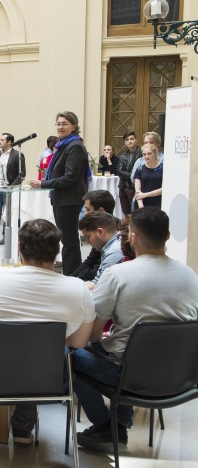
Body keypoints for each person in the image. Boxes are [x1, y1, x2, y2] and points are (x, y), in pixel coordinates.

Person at [0, 219, 95, 442]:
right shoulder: (78, 289)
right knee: (36, 354)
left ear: (19, 249)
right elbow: (80, 342)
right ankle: (23, 428)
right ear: (57, 251)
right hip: (45, 379)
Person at [74, 207, 198, 451]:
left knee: (70, 354)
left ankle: (110, 428)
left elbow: (94, 333)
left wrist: (107, 339)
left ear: (132, 237)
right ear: (168, 236)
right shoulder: (191, 276)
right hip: (181, 376)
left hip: (129, 373)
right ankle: (116, 425)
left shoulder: (118, 274)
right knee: (122, 350)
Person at [29, 111, 89, 276]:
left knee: (69, 241)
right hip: (62, 198)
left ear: (74, 127)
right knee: (67, 239)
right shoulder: (63, 144)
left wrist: (44, 183)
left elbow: (70, 177)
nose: (60, 127)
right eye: (59, 124)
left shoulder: (74, 146)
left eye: (65, 124)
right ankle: (71, 273)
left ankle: (72, 275)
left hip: (69, 199)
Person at [0, 133, 26, 245]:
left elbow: (21, 174)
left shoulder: (17, 155)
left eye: (2, 140)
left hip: (9, 188)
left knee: (7, 214)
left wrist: (11, 187)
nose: (0, 141)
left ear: (9, 142)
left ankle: (5, 237)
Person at [70, 189, 117, 282]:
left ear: (101, 211)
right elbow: (91, 260)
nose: (85, 213)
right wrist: (69, 279)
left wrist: (87, 273)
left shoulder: (117, 241)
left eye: (87, 209)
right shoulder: (97, 229)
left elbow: (106, 275)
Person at [77, 211, 122, 290]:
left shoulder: (114, 252)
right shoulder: (115, 244)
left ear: (100, 232)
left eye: (88, 237)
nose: (87, 242)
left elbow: (100, 284)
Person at [116, 131, 141, 216]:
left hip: (135, 186)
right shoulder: (122, 155)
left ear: (136, 140)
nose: (129, 141)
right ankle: (127, 229)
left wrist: (133, 176)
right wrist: (132, 175)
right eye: (127, 140)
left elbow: (140, 170)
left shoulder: (141, 153)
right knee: (126, 212)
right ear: (125, 142)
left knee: (135, 211)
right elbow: (119, 172)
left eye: (132, 139)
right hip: (123, 186)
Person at [133, 143, 163, 208]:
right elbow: (137, 190)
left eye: (149, 154)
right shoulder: (139, 169)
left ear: (155, 153)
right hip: (142, 204)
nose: (146, 156)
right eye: (144, 154)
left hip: (158, 204)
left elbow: (164, 189)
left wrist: (146, 194)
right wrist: (141, 206)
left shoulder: (162, 169)